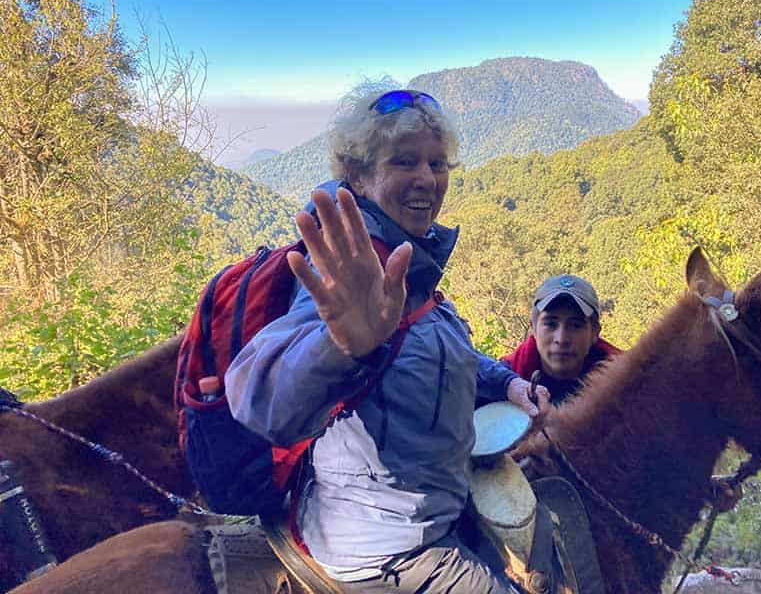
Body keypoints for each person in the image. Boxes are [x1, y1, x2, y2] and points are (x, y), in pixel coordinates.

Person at [224, 89, 549, 593]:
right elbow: (260, 401)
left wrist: (505, 382)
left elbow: (441, 347)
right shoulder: (346, 274)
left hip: (435, 514)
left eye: (437, 163)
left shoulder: (408, 266)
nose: (427, 178)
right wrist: (341, 346)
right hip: (385, 548)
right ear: (358, 175)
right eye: (404, 161)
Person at [502, 274, 620, 405]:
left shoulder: (624, 381)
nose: (562, 339)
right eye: (551, 324)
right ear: (533, 329)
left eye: (575, 325)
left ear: (594, 333)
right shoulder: (505, 378)